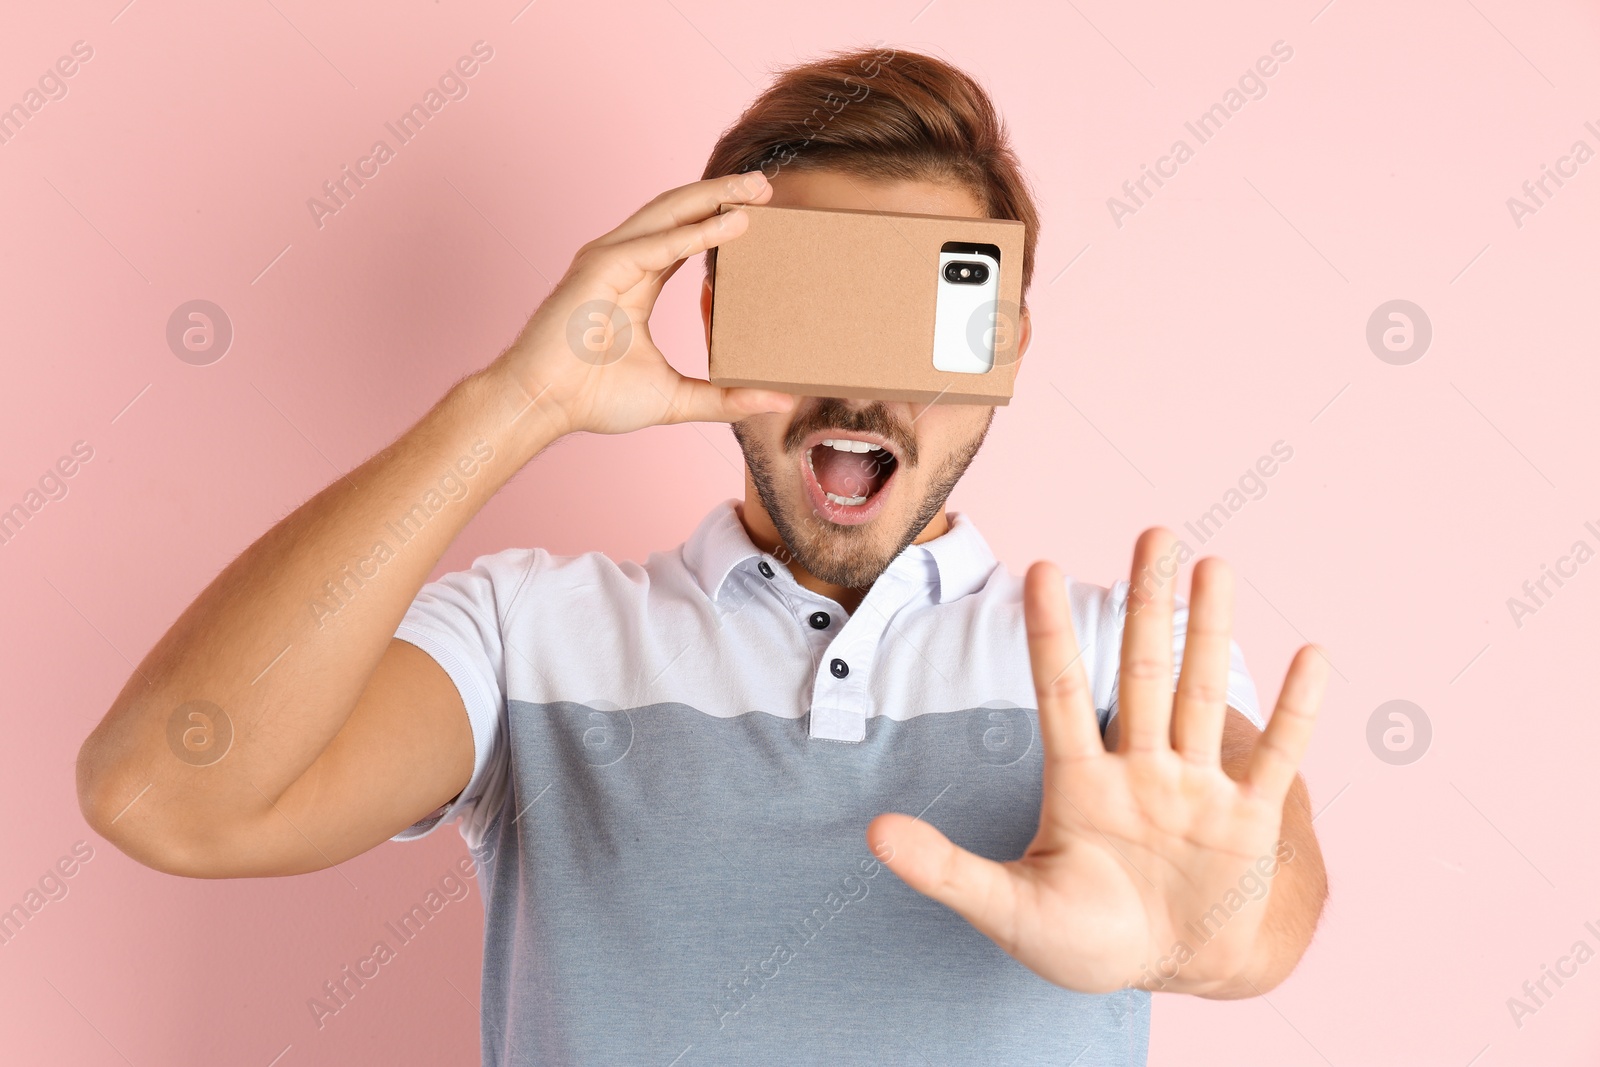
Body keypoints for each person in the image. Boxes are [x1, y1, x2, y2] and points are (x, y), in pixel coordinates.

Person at [76, 46, 1328, 1066]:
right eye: (816, 302)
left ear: (1000, 346)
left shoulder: (1115, 660)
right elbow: (166, 795)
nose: (859, 381)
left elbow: (1264, 916)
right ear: (717, 311)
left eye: (926, 318)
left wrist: (1189, 932)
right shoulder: (530, 639)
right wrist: (518, 401)